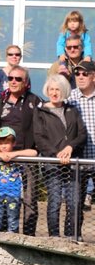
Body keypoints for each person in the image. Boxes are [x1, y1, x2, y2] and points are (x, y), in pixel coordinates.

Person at [0, 65, 41, 235]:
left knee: (29, 198)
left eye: (18, 79)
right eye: (10, 78)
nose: (14, 82)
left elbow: (40, 128)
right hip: (3, 158)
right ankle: (1, 232)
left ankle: (28, 235)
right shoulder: (0, 103)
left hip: (26, 157)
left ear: (26, 82)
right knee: (1, 196)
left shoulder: (34, 101)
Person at [33, 74, 87, 237]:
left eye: (57, 89)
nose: (54, 92)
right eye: (51, 89)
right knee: (54, 201)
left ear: (63, 91)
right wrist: (56, 154)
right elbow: (39, 137)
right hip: (52, 162)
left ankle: (72, 235)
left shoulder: (72, 110)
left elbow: (82, 134)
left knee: (74, 202)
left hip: (73, 161)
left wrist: (70, 147)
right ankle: (53, 237)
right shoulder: (41, 111)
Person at [0, 127, 37, 233]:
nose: (3, 146)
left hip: (14, 195)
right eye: (0, 143)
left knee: (13, 221)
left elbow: (33, 152)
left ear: (13, 143)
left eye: (6, 142)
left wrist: (14, 154)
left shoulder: (18, 158)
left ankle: (12, 239)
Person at [68, 61, 95, 211]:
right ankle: (74, 234)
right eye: (77, 73)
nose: (80, 77)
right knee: (75, 206)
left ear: (94, 77)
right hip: (78, 160)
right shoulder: (69, 98)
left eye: (85, 73)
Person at [0, 45, 25, 110]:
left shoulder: (24, 76)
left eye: (17, 54)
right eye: (10, 54)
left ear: (21, 57)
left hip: (20, 115)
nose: (14, 56)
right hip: (3, 114)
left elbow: (28, 97)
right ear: (6, 57)